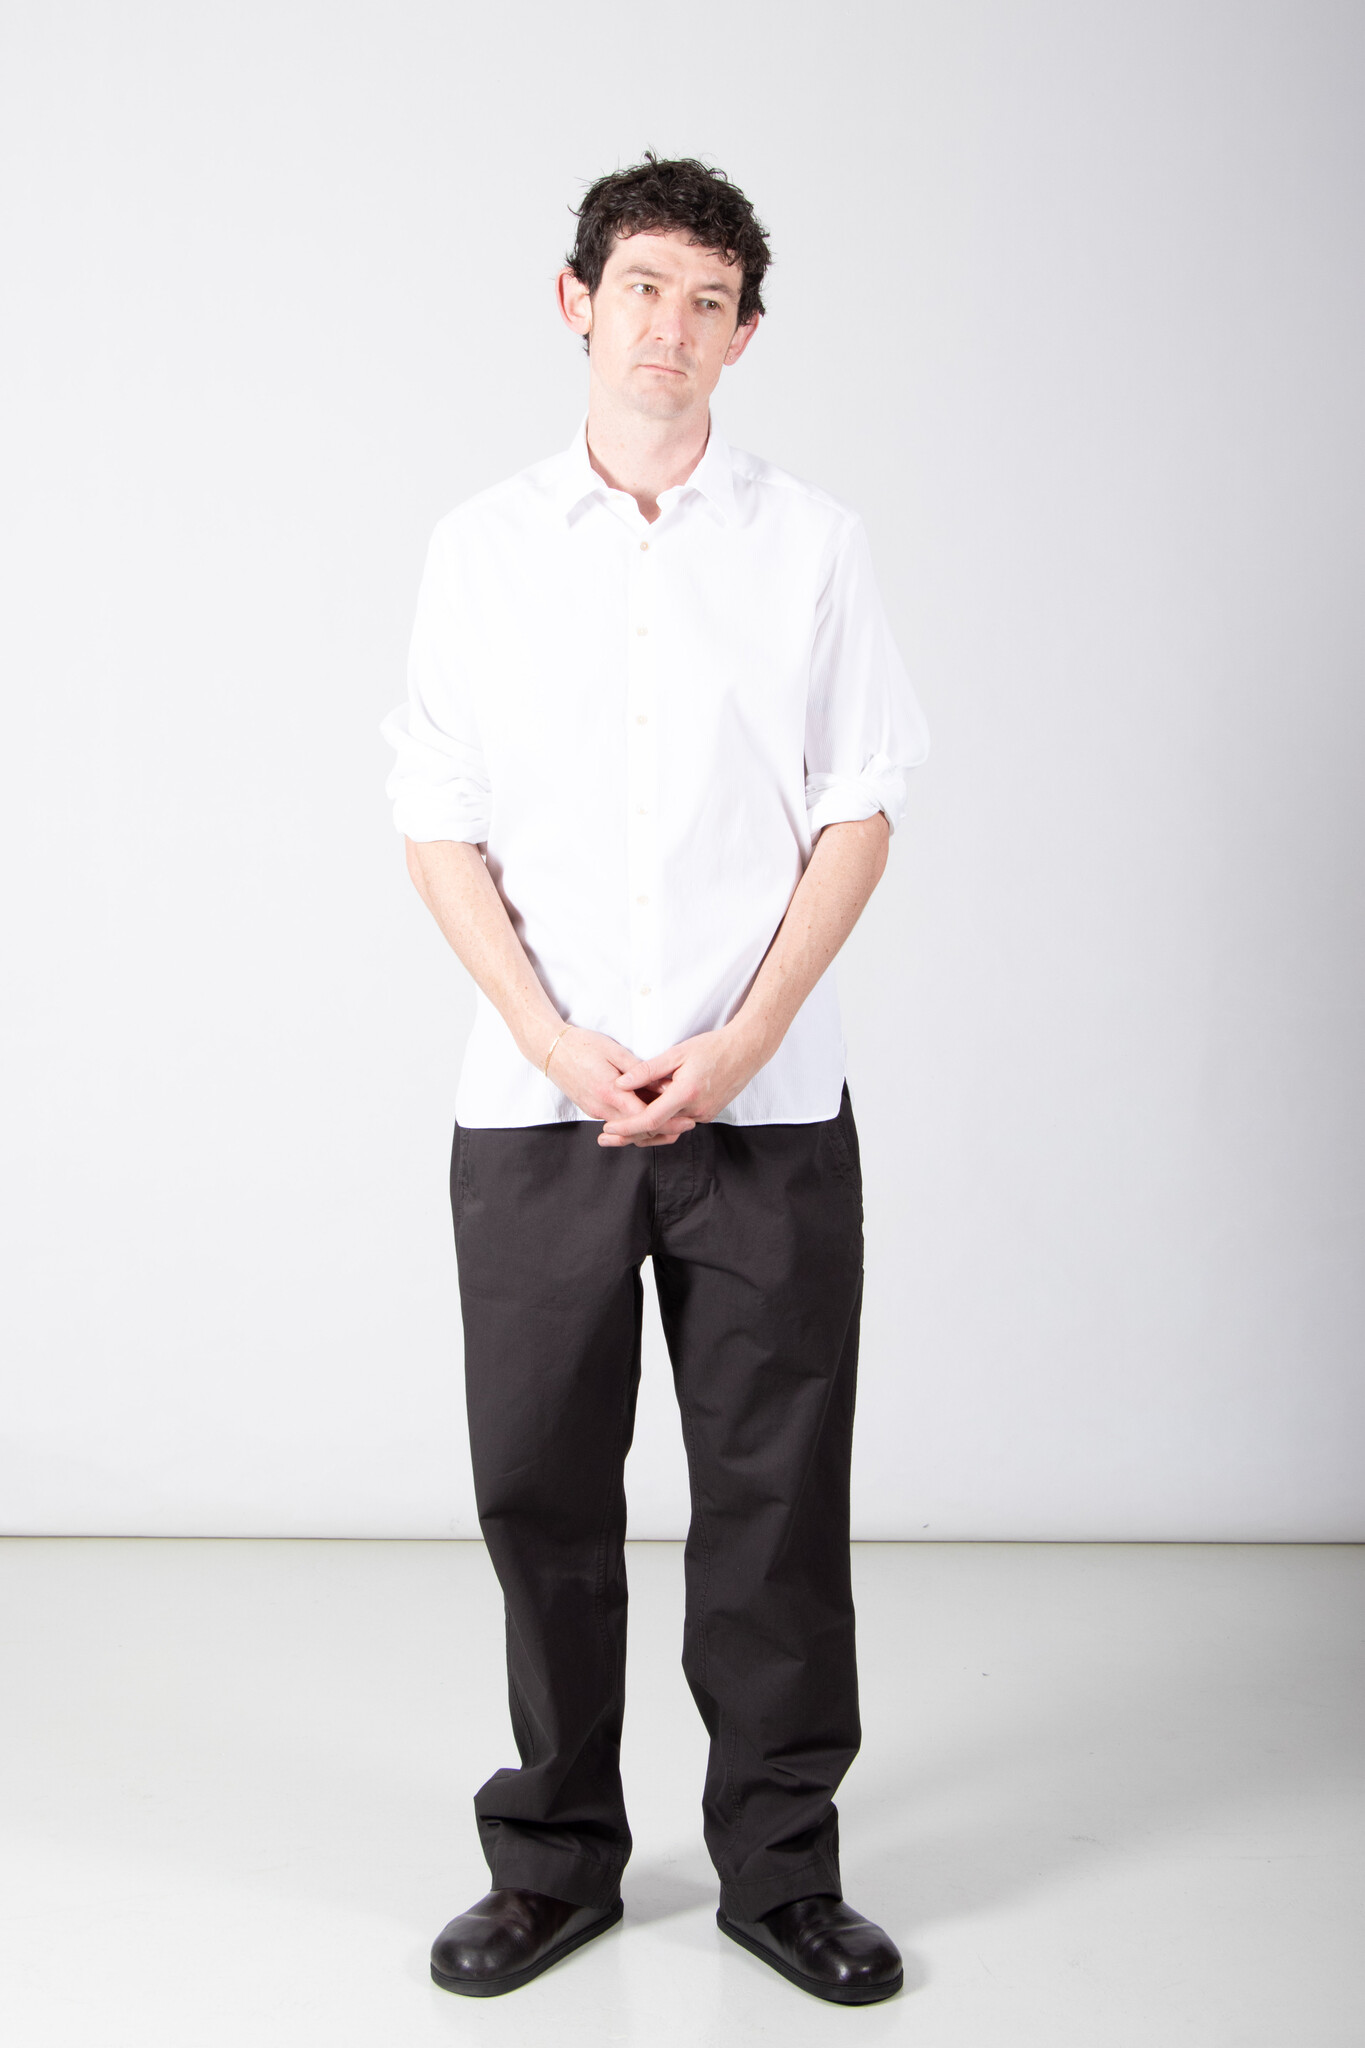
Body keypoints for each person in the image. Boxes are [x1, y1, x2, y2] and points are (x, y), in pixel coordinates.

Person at [380, 152, 930, 2006]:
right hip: (538, 1104)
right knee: (540, 1492)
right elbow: (436, 821)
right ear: (575, 302)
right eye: (641, 288)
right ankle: (553, 1861)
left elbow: (859, 806)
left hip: (760, 1111)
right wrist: (554, 1039)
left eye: (708, 301)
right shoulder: (477, 547)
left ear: (744, 336)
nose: (669, 328)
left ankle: (782, 1872)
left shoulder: (813, 545)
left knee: (774, 1500)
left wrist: (742, 1039)